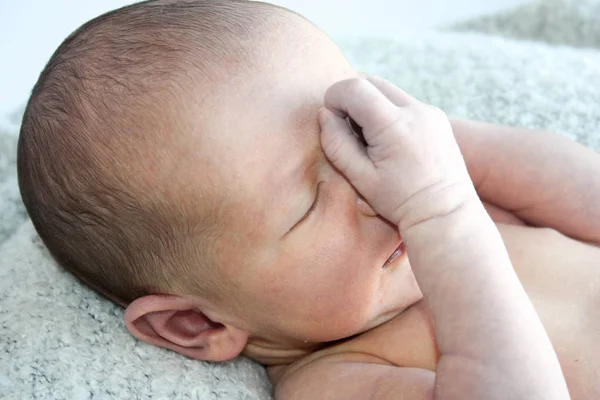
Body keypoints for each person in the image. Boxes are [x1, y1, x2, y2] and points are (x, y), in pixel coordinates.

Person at [16, 1, 599, 398]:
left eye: (354, 132)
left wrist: (442, 141)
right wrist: (443, 215)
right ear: (196, 323)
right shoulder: (337, 377)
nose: (375, 187)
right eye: (308, 207)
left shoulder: (447, 182)